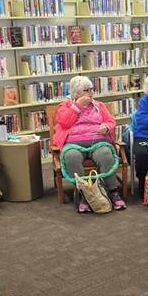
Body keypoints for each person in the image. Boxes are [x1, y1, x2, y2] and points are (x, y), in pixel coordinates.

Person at [53, 75, 125, 212]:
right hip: (73, 142)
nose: (91, 93)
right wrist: (77, 106)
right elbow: (64, 122)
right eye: (87, 90)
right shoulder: (65, 106)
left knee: (106, 154)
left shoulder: (99, 105)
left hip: (97, 139)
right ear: (76, 94)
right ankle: (84, 194)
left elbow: (111, 121)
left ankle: (112, 191)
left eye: (92, 89)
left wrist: (106, 126)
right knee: (71, 157)